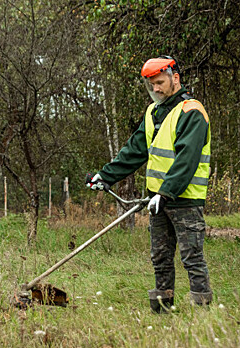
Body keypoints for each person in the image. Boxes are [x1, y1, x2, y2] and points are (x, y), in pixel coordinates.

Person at [86, 56, 212, 313]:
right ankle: (162, 309)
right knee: (160, 257)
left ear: (175, 78)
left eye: (160, 83)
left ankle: (202, 311)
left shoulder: (191, 112)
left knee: (192, 256)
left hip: (185, 199)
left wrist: (166, 193)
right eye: (151, 85)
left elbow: (187, 159)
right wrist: (106, 176)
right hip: (158, 200)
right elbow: (134, 151)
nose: (155, 89)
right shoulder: (153, 112)